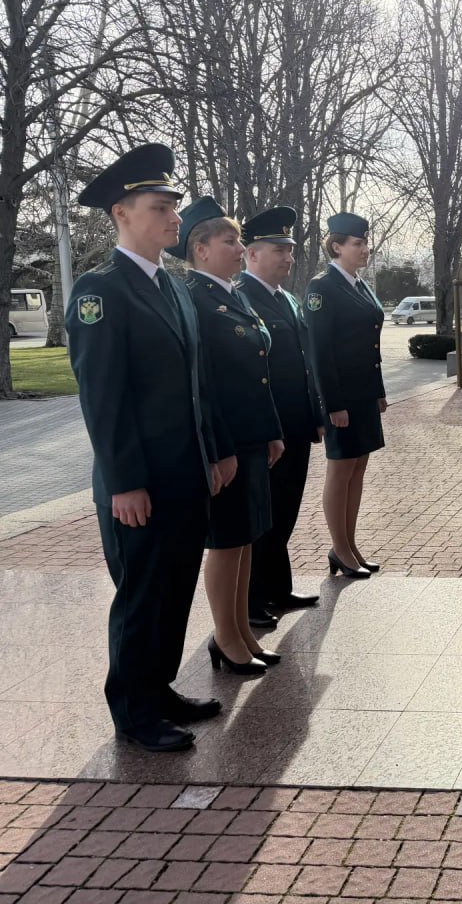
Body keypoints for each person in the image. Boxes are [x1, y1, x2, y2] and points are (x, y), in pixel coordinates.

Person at [66, 143, 229, 752]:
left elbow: (197, 384)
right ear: (121, 214)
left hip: (185, 472)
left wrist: (214, 452)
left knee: (174, 587)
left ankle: (158, 690)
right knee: (141, 596)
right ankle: (134, 712)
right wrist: (125, 482)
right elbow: (103, 399)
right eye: (160, 207)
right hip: (141, 481)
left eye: (174, 207)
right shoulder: (101, 291)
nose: (173, 218)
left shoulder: (174, 288)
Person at [174, 197, 285, 676]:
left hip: (251, 436)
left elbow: (259, 371)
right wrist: (220, 451)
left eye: (239, 241)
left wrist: (271, 431)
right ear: (200, 249)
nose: (241, 249)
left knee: (245, 538)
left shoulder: (233, 294)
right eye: (230, 241)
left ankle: (240, 631)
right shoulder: (193, 298)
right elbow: (204, 384)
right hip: (227, 441)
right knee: (225, 541)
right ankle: (225, 637)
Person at [238, 206, 324, 629]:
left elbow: (304, 361)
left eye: (290, 250)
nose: (289, 257)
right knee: (262, 515)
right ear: (252, 253)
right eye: (279, 250)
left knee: (285, 510)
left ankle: (277, 586)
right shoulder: (240, 297)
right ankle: (251, 599)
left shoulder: (287, 299)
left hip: (296, 425)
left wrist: (315, 414)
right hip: (266, 427)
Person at [305, 211, 385, 579]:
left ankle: (350, 546)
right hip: (341, 399)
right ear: (336, 247)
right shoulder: (322, 287)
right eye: (358, 243)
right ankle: (339, 548)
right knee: (340, 470)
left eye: (365, 243)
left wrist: (378, 392)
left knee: (358, 468)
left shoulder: (359, 284)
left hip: (363, 395)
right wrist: (332, 405)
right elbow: (319, 352)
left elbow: (371, 345)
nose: (365, 249)